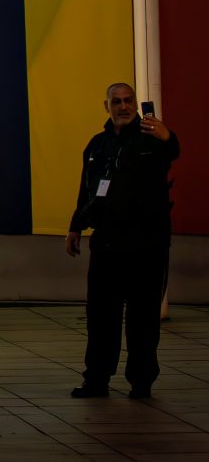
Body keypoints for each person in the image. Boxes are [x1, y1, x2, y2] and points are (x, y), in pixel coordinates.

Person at [66, 81, 179, 400]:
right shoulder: (97, 145)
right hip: (107, 244)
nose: (124, 106)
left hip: (147, 245)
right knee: (101, 317)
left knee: (144, 318)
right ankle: (97, 379)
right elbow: (87, 189)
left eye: (128, 100)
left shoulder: (151, 140)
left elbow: (173, 153)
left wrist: (166, 136)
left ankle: (141, 382)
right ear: (107, 107)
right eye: (116, 101)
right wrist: (76, 226)